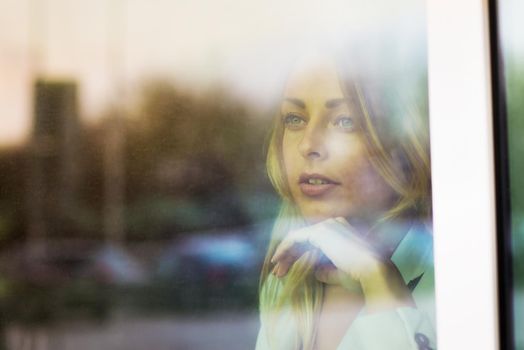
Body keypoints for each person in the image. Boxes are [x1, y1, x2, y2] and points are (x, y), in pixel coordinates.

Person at [255, 54, 435, 350]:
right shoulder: (286, 282)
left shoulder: (457, 277)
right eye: (294, 119)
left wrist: (381, 284)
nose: (308, 145)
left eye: (345, 121)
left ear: (401, 145)